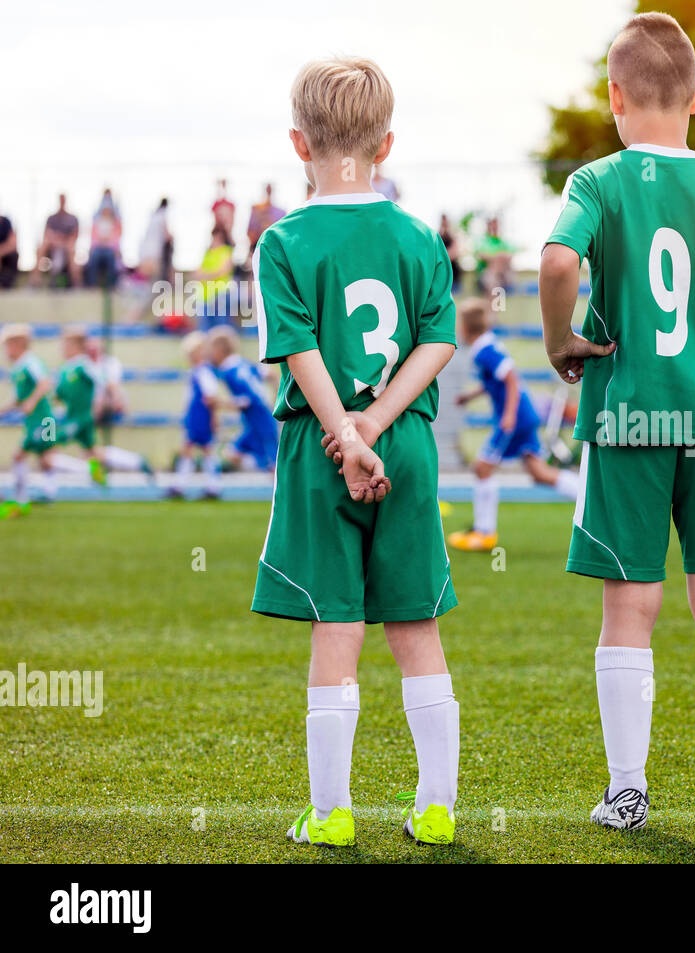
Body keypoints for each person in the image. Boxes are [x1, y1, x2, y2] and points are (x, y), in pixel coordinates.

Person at [540, 12, 695, 832]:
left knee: (629, 608)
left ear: (614, 96)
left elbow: (555, 261)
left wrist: (557, 338)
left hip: (626, 422)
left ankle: (627, 791)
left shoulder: (597, 183)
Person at [254, 57, 460, 848]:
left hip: (319, 443)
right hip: (402, 440)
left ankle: (334, 811)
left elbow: (299, 348)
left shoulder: (282, 241)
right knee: (415, 626)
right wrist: (374, 426)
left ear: (301, 145)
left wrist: (345, 432)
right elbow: (438, 339)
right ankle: (436, 804)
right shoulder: (418, 236)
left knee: (334, 624)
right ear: (387, 143)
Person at [448, 298, 581, 552]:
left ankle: (484, 533)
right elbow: (498, 379)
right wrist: (472, 396)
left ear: (466, 327)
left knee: (482, 468)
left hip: (515, 419)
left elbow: (509, 378)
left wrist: (508, 416)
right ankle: (589, 500)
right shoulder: (488, 344)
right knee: (539, 473)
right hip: (523, 415)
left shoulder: (483, 350)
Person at [1, 324, 59, 517]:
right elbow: (19, 399)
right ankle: (44, 494)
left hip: (44, 420)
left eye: (8, 345)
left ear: (18, 344)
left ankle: (22, 500)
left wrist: (32, 401)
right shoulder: (18, 369)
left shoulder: (30, 362)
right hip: (34, 422)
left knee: (22, 457)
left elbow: (45, 382)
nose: (5, 351)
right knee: (47, 461)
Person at [206, 325, 278, 471]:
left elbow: (246, 400)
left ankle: (267, 472)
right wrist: (275, 397)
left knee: (273, 465)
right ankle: (261, 465)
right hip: (257, 418)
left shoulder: (229, 370)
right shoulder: (243, 363)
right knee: (232, 453)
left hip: (260, 420)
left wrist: (220, 403)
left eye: (212, 349)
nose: (211, 354)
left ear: (220, 349)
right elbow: (271, 374)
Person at [169, 331, 223, 500]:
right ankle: (207, 486)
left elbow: (211, 397)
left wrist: (214, 418)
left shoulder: (204, 372)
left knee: (199, 449)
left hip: (201, 416)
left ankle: (189, 486)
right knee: (198, 450)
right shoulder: (197, 371)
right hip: (195, 416)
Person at [54, 325, 107, 486]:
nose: (63, 349)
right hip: (73, 415)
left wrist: (100, 402)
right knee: (90, 449)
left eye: (66, 345)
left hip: (80, 417)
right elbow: (59, 394)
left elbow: (101, 381)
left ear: (77, 346)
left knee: (50, 444)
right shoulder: (65, 369)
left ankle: (49, 489)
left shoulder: (83, 365)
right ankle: (98, 475)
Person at [193, 225, 236, 328]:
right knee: (205, 327)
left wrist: (206, 275)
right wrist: (211, 274)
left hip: (220, 293)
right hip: (205, 295)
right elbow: (197, 274)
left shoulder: (226, 251)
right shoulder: (207, 253)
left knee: (221, 326)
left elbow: (223, 271)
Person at [35, 194, 81, 287]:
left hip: (67, 246)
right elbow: (47, 234)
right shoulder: (51, 218)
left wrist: (62, 241)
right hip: (53, 246)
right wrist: (56, 241)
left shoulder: (72, 218)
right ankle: (35, 281)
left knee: (71, 248)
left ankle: (77, 283)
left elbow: (74, 236)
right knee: (41, 247)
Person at [84, 199, 122, 290]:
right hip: (98, 248)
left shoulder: (115, 224)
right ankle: (92, 285)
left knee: (110, 257)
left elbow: (115, 240)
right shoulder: (97, 223)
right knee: (94, 256)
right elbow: (94, 239)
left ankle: (111, 286)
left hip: (110, 249)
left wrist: (107, 242)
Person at [138, 198, 172, 283]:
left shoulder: (153, 215)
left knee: (146, 271)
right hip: (155, 247)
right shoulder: (163, 215)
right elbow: (167, 234)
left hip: (145, 245)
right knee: (154, 271)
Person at [247, 184, 285, 252]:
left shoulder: (280, 212)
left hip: (272, 248)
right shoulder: (256, 209)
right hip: (257, 246)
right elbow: (250, 232)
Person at [437, 214, 463, 292]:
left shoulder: (453, 236)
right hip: (442, 274)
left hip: (453, 274)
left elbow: (455, 253)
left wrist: (443, 255)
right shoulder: (438, 236)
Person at [0, 209, 18, 288]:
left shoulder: (6, 222)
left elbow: (13, 243)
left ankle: (7, 283)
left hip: (6, 252)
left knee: (14, 255)